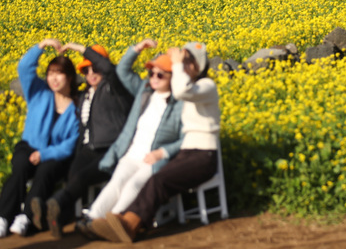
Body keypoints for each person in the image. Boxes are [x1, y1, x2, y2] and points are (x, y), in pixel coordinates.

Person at [89, 42, 220, 243]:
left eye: (188, 62)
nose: (182, 65)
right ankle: (126, 222)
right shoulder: (174, 89)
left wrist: (175, 64)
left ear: (199, 66)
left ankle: (130, 224)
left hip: (203, 155)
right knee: (154, 180)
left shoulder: (206, 86)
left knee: (158, 180)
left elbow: (181, 91)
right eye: (183, 60)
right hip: (187, 153)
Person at [75, 42, 184, 238]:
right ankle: (92, 219)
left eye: (160, 74)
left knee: (134, 184)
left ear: (173, 77)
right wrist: (137, 49)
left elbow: (186, 138)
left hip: (153, 159)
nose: (154, 78)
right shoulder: (144, 91)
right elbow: (122, 71)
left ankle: (112, 221)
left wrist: (162, 153)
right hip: (132, 153)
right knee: (117, 181)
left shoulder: (180, 104)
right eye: (152, 73)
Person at [36, 43, 134, 238]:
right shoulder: (86, 95)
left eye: (94, 68)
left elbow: (108, 68)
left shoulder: (115, 89)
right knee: (72, 175)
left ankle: (53, 205)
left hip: (111, 149)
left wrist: (79, 48)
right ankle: (60, 219)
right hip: (88, 150)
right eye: (86, 70)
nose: (91, 73)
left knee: (81, 178)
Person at [0, 39, 79, 239]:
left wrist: (44, 154)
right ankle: (2, 218)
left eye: (59, 74)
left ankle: (25, 216)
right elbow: (24, 67)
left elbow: (70, 144)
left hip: (53, 154)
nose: (54, 79)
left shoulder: (75, 110)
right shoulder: (39, 93)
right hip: (28, 146)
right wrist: (42, 45)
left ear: (70, 77)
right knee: (20, 167)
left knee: (46, 171)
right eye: (50, 74)